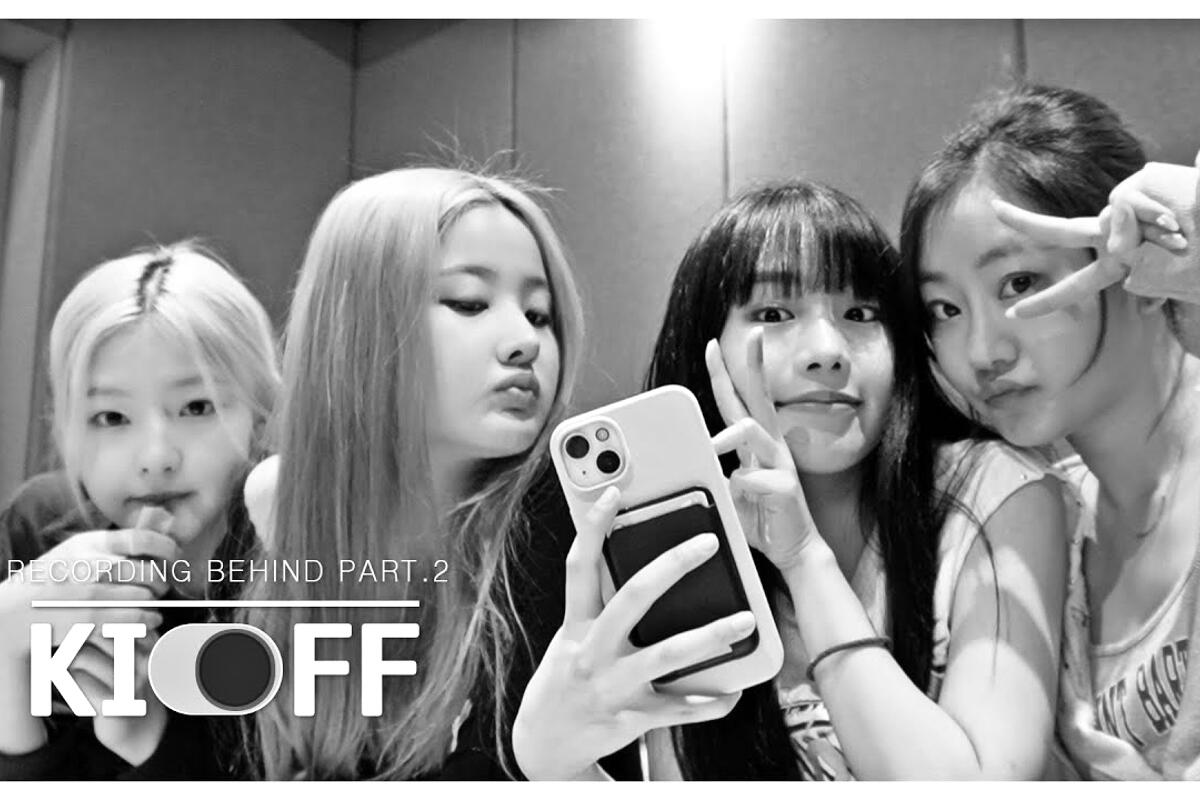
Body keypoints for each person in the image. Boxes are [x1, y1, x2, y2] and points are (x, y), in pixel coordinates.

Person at [241, 167, 749, 780]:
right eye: (469, 303)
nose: (524, 341)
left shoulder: (575, 522)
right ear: (356, 328)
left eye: (540, 315)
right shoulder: (278, 528)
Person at [638, 179, 1068, 779]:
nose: (827, 350)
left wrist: (803, 559)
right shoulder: (681, 548)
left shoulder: (993, 493)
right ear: (704, 346)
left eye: (861, 314)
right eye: (774, 314)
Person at [900, 82, 1200, 780]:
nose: (982, 352)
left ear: (1144, 258)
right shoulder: (1044, 526)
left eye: (1018, 283)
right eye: (945, 309)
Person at [0, 241, 280, 778]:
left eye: (196, 407)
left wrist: (149, 738)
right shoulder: (37, 528)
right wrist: (6, 646)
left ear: (261, 416)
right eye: (111, 417)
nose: (155, 458)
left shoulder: (303, 558)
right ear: (67, 431)